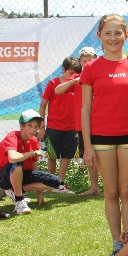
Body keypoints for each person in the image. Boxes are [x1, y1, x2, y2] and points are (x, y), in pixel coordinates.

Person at [80, 14, 128, 256]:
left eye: (117, 33)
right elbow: (85, 109)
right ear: (99, 36)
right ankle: (116, 242)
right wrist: (87, 146)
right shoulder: (91, 68)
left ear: (126, 35)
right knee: (110, 192)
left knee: (127, 191)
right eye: (107, 33)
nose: (113, 38)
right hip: (101, 139)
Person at [0, 109, 66, 215]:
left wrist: (40, 193)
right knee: (17, 162)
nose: (33, 129)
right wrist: (32, 153)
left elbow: (34, 167)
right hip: (2, 177)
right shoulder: (13, 137)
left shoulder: (34, 140)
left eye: (36, 126)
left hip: (22, 174)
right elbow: (12, 158)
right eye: (29, 125)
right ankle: (19, 200)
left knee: (55, 182)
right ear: (22, 126)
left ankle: (14, 190)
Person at [54, 47, 100, 195]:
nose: (87, 63)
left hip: (102, 123)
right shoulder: (77, 78)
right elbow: (57, 90)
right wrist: (73, 81)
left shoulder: (101, 75)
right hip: (83, 125)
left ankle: (113, 187)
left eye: (90, 60)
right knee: (90, 156)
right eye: (84, 61)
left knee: (106, 155)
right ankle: (94, 187)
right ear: (80, 62)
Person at [38, 56, 79, 191]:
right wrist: (42, 127)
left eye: (75, 73)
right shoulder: (52, 83)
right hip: (53, 126)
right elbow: (43, 105)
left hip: (72, 128)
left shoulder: (78, 85)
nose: (73, 76)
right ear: (63, 70)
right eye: (70, 73)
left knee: (67, 156)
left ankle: (60, 183)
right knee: (52, 156)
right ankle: (51, 183)